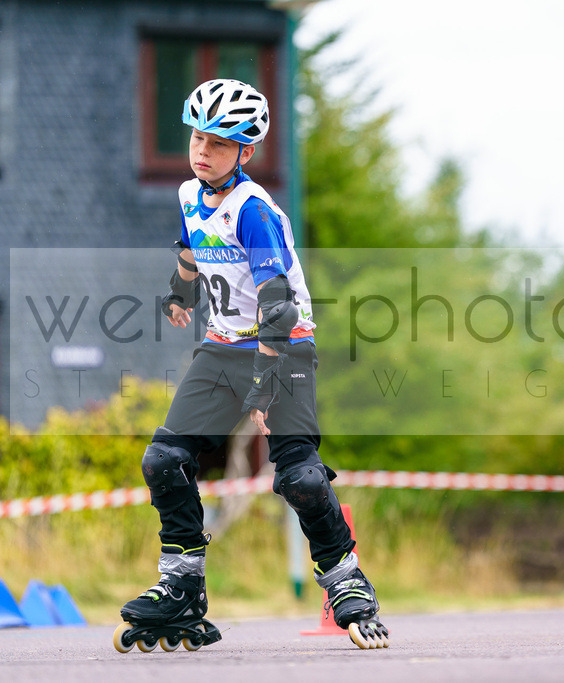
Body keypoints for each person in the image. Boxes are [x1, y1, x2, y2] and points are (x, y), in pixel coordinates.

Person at [114, 79, 388, 653]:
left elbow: (278, 305)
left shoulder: (255, 210)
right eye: (197, 136)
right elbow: (191, 248)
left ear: (245, 151)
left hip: (283, 344)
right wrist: (180, 293)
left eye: (219, 141)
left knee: (298, 475)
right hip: (222, 346)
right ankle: (182, 583)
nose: (202, 149)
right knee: (164, 459)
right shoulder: (191, 192)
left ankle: (345, 579)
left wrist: (262, 388)